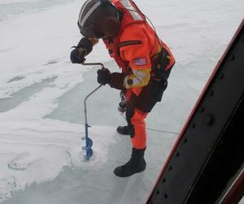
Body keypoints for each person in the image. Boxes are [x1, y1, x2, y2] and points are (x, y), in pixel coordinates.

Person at [70, 0, 175, 177]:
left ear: (109, 29)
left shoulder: (132, 38)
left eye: (101, 35)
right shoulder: (113, 10)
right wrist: (83, 47)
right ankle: (131, 128)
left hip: (155, 70)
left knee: (134, 114)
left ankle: (138, 160)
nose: (99, 38)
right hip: (141, 60)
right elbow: (98, 29)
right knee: (127, 96)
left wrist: (112, 79)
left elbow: (141, 78)